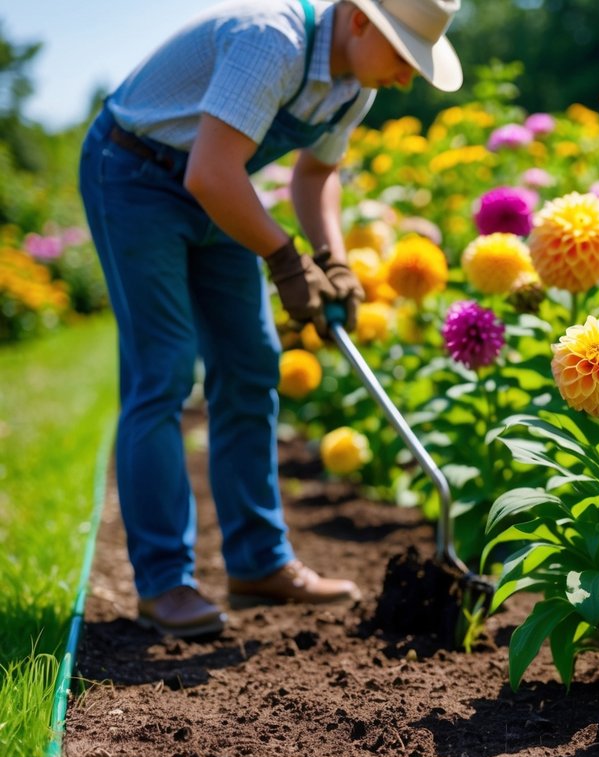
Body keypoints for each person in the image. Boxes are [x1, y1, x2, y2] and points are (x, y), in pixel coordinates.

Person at [79, 0, 463, 637]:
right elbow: (210, 171)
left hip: (219, 183)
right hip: (135, 173)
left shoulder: (353, 84)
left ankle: (259, 562)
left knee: (252, 364)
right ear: (360, 19)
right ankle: (163, 582)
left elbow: (314, 178)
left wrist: (333, 263)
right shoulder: (272, 41)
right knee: (165, 372)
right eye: (403, 56)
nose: (406, 77)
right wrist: (286, 261)